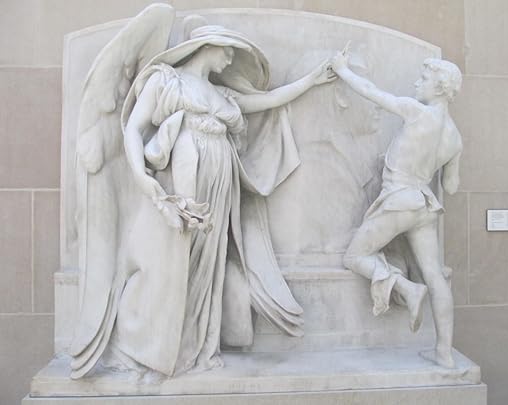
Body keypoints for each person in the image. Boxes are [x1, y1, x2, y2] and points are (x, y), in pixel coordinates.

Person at [69, 18, 336, 379]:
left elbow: (267, 101)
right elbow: (133, 128)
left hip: (220, 181)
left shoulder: (221, 95)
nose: (230, 58)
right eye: (228, 50)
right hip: (183, 179)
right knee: (174, 259)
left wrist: (311, 80)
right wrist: (143, 179)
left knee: (207, 264)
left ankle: (194, 349)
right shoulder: (166, 80)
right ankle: (149, 350)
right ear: (207, 46)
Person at [331, 51, 462, 368]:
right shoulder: (455, 137)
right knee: (435, 276)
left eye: (423, 79)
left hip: (401, 200)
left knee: (354, 256)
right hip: (424, 206)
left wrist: (342, 70)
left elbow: (372, 92)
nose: (417, 83)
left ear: (439, 88)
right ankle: (444, 353)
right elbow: (452, 186)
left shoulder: (417, 112)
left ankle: (407, 289)